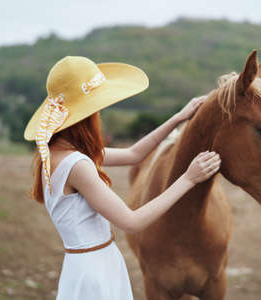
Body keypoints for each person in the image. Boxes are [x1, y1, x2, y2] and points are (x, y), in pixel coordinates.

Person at [23, 56, 221, 300]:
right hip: (96, 269)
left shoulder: (57, 154)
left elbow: (133, 154)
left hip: (81, 265)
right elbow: (131, 221)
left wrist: (178, 117)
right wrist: (189, 179)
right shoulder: (77, 165)